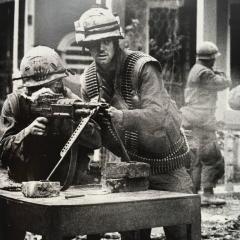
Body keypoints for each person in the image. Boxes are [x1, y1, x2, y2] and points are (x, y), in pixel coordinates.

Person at [74, 7, 193, 240]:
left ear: (116, 40)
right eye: (93, 44)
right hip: (130, 168)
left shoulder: (143, 67)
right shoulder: (89, 81)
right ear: (86, 46)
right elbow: (96, 139)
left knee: (183, 230)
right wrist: (84, 125)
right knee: (132, 234)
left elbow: (158, 116)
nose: (100, 48)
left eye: (106, 41)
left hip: (167, 166)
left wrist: (122, 116)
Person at [0, 46, 101, 240]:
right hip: (23, 182)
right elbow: (3, 151)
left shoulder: (71, 101)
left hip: (66, 183)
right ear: (27, 87)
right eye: (37, 88)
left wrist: (68, 120)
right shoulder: (16, 103)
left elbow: (96, 140)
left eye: (51, 86)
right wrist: (27, 132)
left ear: (60, 83)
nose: (44, 93)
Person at [180, 41, 231, 206]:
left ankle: (193, 195)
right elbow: (225, 82)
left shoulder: (196, 70)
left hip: (192, 120)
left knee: (196, 160)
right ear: (210, 59)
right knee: (213, 159)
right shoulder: (205, 74)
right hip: (202, 121)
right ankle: (207, 194)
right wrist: (219, 72)